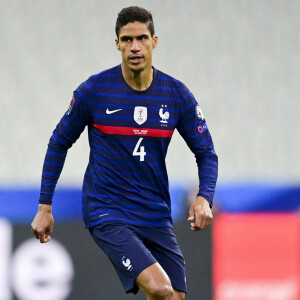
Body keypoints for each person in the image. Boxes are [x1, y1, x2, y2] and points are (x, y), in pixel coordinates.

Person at [31, 6, 218, 300]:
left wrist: (204, 195)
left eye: (141, 38)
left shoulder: (176, 95)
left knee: (175, 297)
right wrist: (45, 207)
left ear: (154, 41)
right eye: (127, 39)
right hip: (107, 210)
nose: (134, 47)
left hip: (155, 212)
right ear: (116, 43)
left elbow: (206, 152)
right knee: (160, 288)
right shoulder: (94, 91)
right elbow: (58, 142)